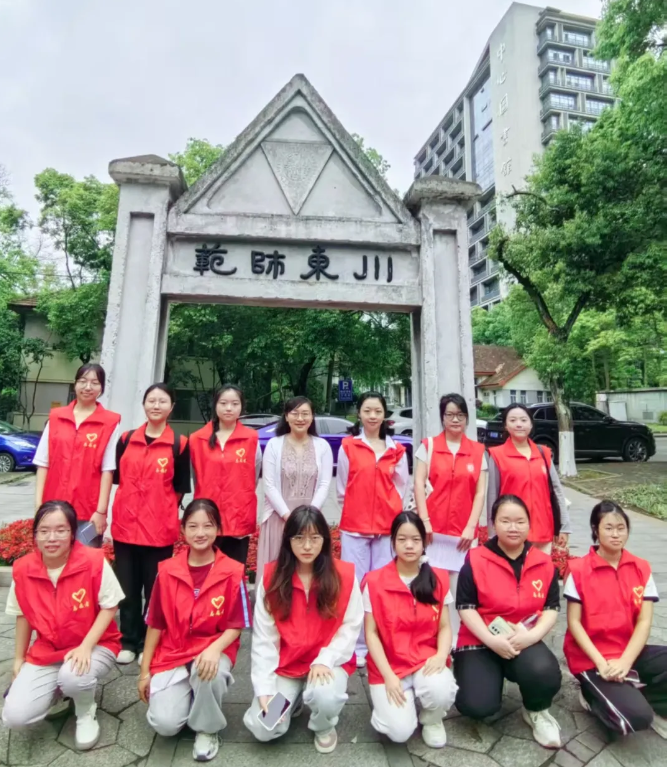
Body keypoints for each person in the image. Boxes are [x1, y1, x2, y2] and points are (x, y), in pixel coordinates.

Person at [2, 501, 123, 751]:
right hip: (49, 650)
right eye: (44, 531)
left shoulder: (93, 561)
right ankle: (59, 691)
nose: (52, 538)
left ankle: (85, 710)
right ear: (35, 534)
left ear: (72, 532)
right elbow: (22, 615)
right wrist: (19, 659)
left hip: (96, 645)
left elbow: (110, 606)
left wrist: (85, 647)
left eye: (61, 530)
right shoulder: (23, 569)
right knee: (15, 716)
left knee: (74, 675)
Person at [139, 499, 252, 762]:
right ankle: (192, 695)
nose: (200, 533)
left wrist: (214, 649)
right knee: (165, 724)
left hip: (212, 648)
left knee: (209, 672)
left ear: (218, 529)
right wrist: (144, 672)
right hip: (174, 651)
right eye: (193, 526)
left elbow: (236, 624)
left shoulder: (232, 572)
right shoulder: (167, 571)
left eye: (208, 526)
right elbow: (155, 623)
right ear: (182, 530)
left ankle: (207, 729)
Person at [244, 505, 362, 754]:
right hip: (287, 668)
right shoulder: (272, 578)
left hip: (325, 666)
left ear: (324, 540)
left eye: (314, 538)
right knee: (265, 727)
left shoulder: (344, 576)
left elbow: (350, 627)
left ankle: (323, 725)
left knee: (324, 696)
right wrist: (265, 689)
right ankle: (294, 698)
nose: (307, 546)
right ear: (288, 540)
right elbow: (265, 639)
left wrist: (326, 659)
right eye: (299, 538)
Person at [453, 494, 563, 749]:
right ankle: (487, 675)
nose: (513, 527)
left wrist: (530, 637)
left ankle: (535, 710)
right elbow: (465, 607)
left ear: (529, 524)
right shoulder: (476, 559)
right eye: (505, 521)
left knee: (544, 673)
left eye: (520, 521)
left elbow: (551, 608)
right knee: (477, 705)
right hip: (481, 639)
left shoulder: (543, 563)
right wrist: (491, 640)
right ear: (494, 524)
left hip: (521, 638)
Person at [564, 500, 667, 739]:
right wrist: (601, 663)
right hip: (591, 660)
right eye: (608, 528)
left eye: (621, 528)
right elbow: (574, 623)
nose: (616, 534)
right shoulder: (578, 570)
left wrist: (625, 661)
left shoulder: (641, 568)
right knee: (636, 718)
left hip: (628, 650)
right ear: (595, 529)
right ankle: (591, 694)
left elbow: (644, 621)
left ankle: (650, 701)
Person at [111, 383, 191, 665]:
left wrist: (159, 508)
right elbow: (119, 480)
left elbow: (179, 488)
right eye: (151, 400)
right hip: (125, 528)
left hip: (158, 531)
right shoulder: (126, 439)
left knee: (155, 590)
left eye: (162, 401)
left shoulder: (180, 444)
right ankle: (128, 640)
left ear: (172, 407)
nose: (156, 406)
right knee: (127, 589)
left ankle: (149, 642)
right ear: (144, 404)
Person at [363, 512, 458, 748]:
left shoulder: (438, 579)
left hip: (425, 660)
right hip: (390, 665)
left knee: (442, 689)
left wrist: (441, 655)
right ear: (392, 541)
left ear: (424, 542)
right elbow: (371, 634)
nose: (409, 545)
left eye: (416, 540)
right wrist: (388, 676)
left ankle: (431, 719)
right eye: (402, 539)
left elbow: (445, 626)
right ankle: (391, 709)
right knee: (400, 732)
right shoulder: (374, 582)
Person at [336, 390, 409, 666]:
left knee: (380, 587)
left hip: (386, 530)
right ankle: (356, 646)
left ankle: (378, 643)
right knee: (355, 586)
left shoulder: (396, 450)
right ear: (359, 413)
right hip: (354, 527)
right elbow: (342, 489)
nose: (372, 416)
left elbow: (402, 488)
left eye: (378, 411)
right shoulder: (348, 446)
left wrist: (390, 514)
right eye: (367, 410)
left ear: (384, 414)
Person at [413, 392, 486, 643]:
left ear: (467, 418)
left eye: (461, 415)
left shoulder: (478, 451)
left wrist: (470, 527)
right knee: (430, 584)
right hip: (432, 533)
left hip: (462, 535)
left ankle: (455, 639)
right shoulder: (428, 446)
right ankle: (426, 636)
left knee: (458, 589)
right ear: (442, 417)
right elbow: (418, 485)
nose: (455, 420)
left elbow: (480, 493)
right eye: (450, 414)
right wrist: (424, 521)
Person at [34, 363, 121, 547]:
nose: (88, 387)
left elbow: (108, 469)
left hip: (88, 511)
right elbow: (43, 463)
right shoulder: (56, 417)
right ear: (75, 384)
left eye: (94, 383)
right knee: (54, 557)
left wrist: (101, 511)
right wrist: (38, 506)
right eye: (83, 381)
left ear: (101, 387)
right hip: (53, 507)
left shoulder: (110, 422)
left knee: (86, 558)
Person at [257, 396, 334, 582]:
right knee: (276, 573)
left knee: (307, 572)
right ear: (286, 416)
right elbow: (269, 485)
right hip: (278, 518)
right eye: (295, 413)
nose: (300, 418)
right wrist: (289, 517)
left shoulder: (322, 446)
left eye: (305, 414)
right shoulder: (274, 445)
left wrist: (309, 516)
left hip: (310, 521)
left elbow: (325, 484)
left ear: (312, 417)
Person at [189, 385, 261, 566]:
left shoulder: (251, 439)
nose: (229, 408)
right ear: (215, 405)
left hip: (238, 514)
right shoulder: (198, 439)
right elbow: (196, 477)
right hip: (207, 517)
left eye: (234, 404)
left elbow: (253, 476)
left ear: (241, 407)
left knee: (234, 572)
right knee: (205, 571)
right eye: (223, 403)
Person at [487, 404, 571, 555]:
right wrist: (492, 534)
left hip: (543, 531)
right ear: (505, 425)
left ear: (531, 424)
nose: (519, 424)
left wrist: (564, 526)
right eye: (513, 420)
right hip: (511, 532)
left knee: (540, 570)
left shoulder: (543, 453)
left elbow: (557, 490)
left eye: (523, 420)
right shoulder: (497, 455)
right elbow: (492, 497)